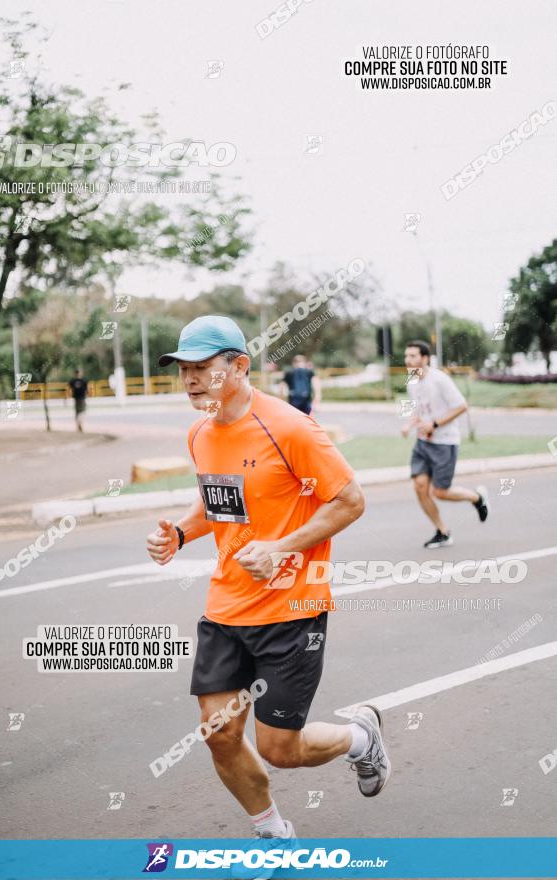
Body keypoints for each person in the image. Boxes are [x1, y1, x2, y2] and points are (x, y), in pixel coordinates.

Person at [146, 315, 391, 842]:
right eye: (183, 368)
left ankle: (359, 737)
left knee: (282, 749)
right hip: (227, 609)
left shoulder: (291, 428)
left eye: (202, 367)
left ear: (239, 365)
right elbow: (219, 503)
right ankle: (273, 832)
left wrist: (281, 548)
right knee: (219, 734)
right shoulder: (200, 432)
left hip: (291, 611)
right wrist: (180, 535)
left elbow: (350, 501)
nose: (190, 378)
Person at [401, 340, 489, 548]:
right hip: (422, 442)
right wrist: (409, 424)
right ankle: (443, 531)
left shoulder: (439, 380)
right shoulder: (412, 381)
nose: (408, 360)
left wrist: (435, 424)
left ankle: (477, 498)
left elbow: (461, 406)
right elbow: (419, 409)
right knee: (420, 486)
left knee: (440, 492)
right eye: (406, 356)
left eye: (413, 356)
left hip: (444, 442)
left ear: (424, 358)